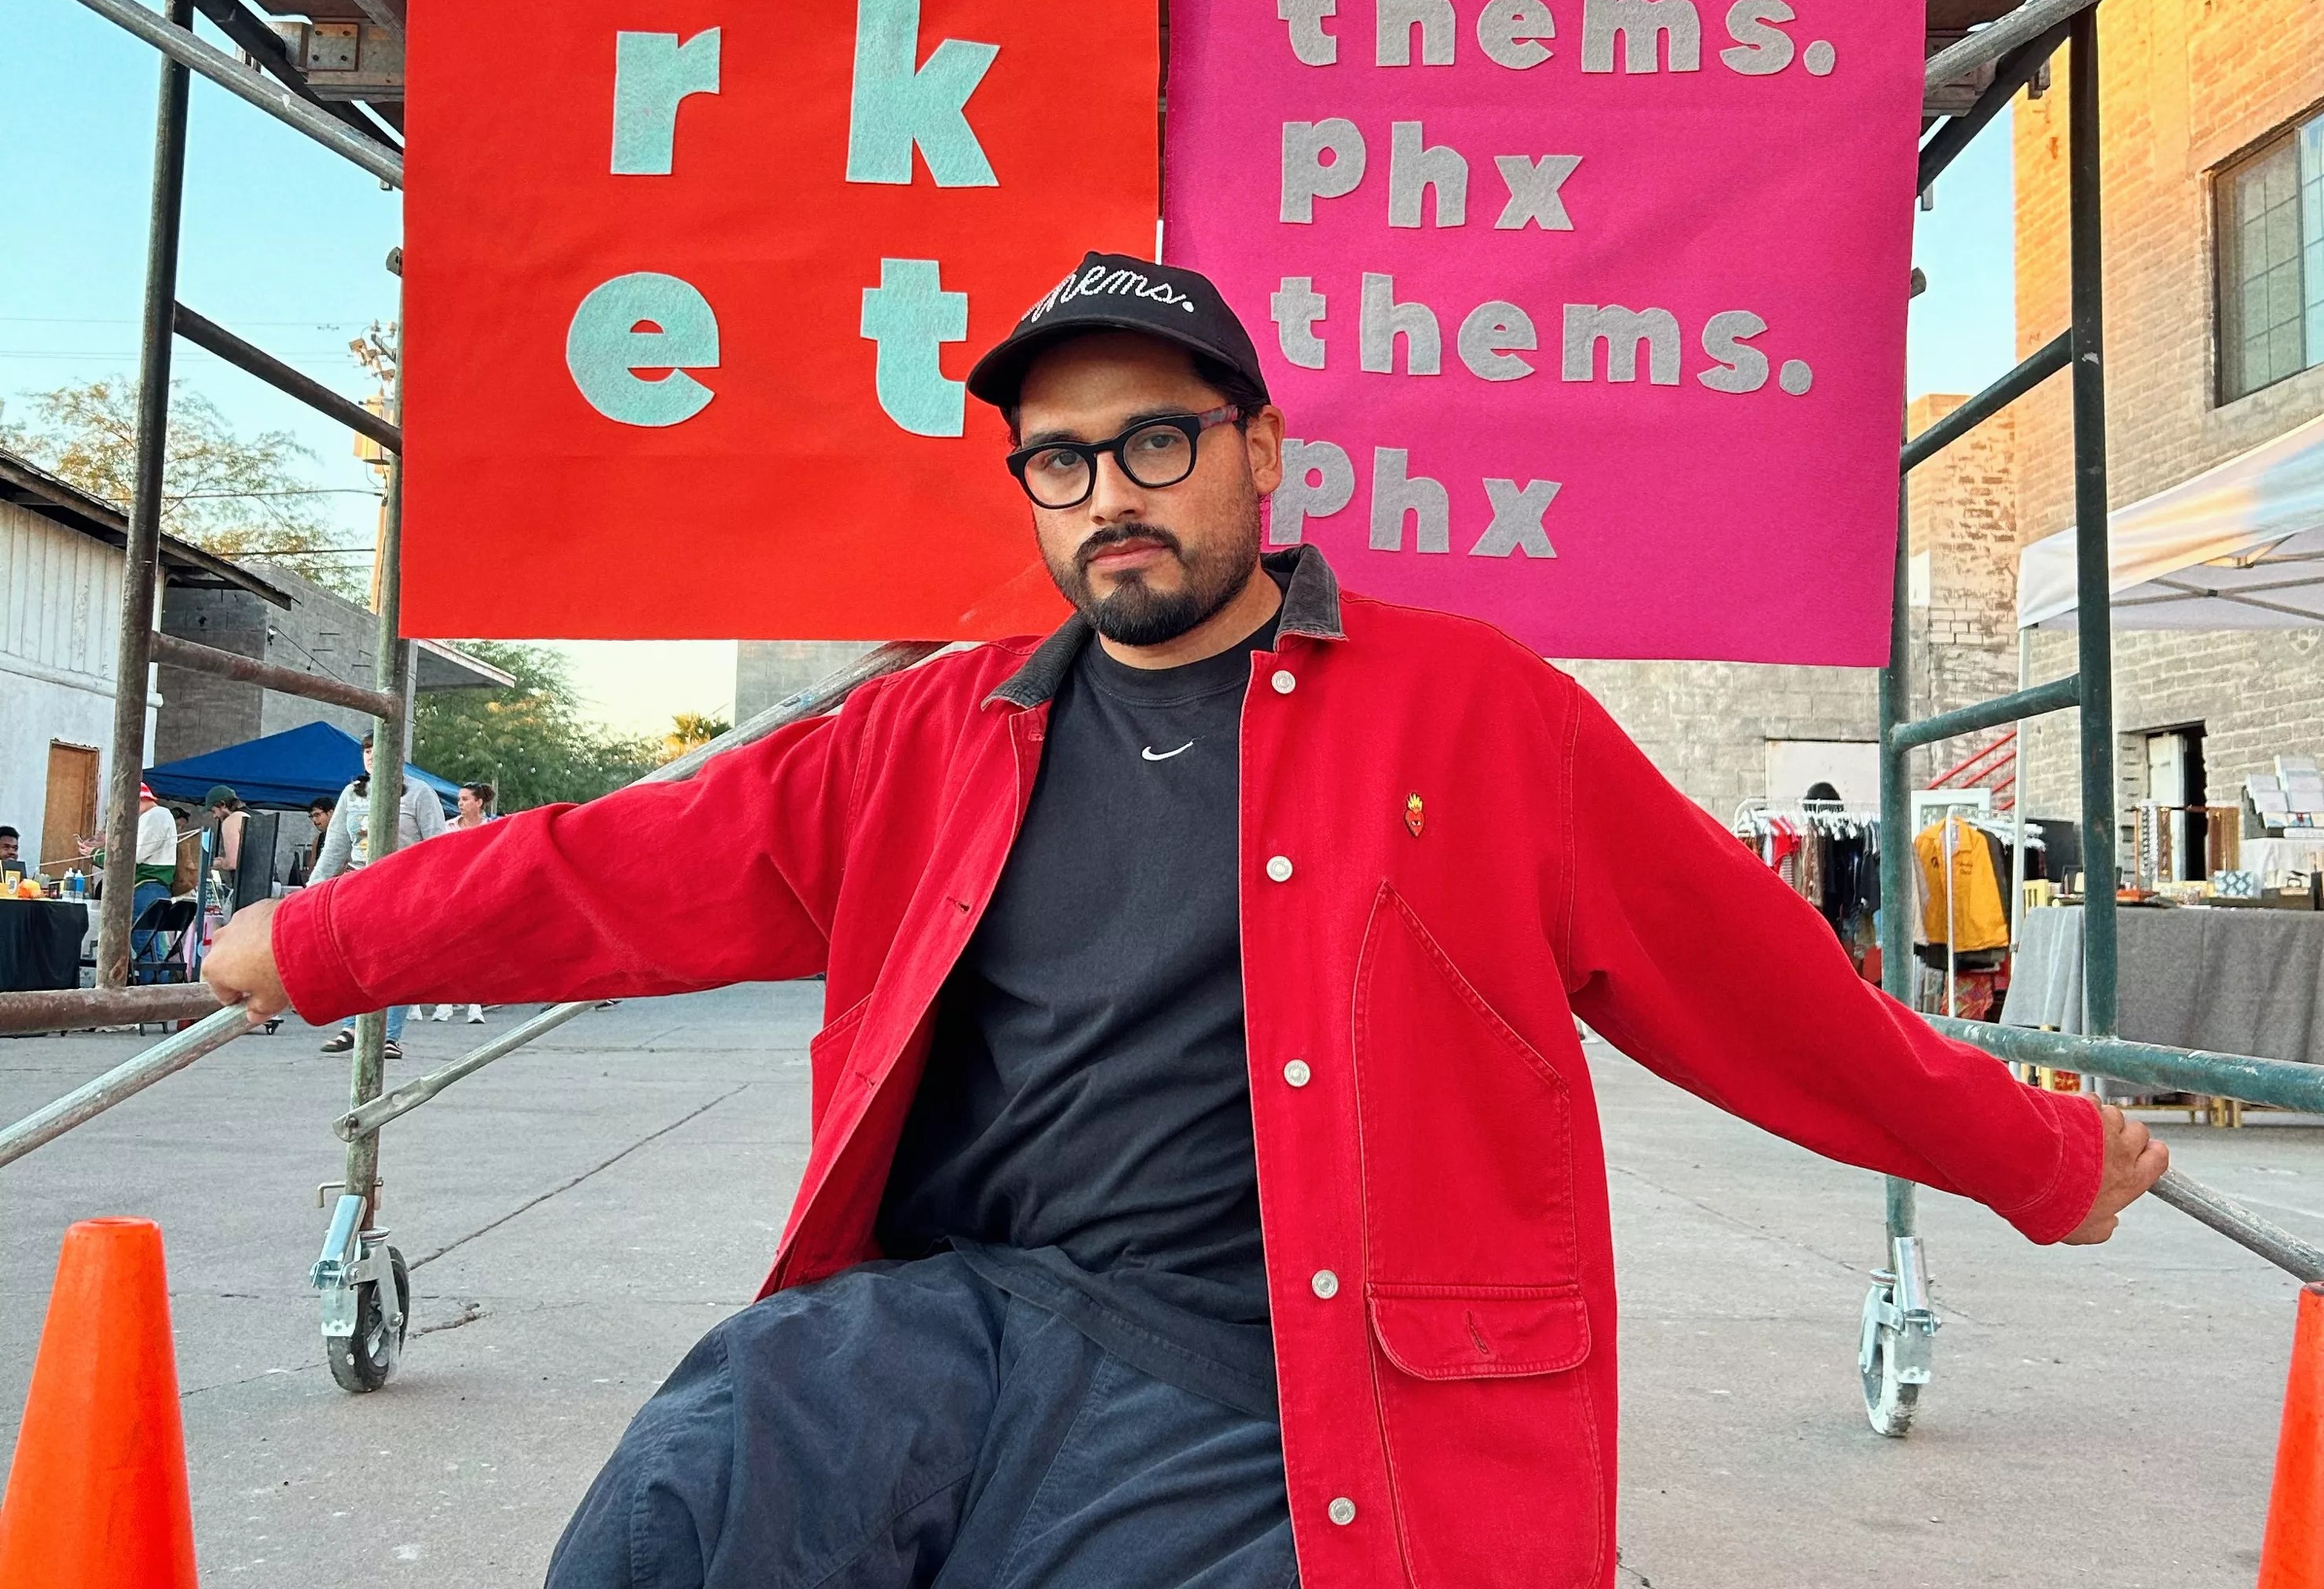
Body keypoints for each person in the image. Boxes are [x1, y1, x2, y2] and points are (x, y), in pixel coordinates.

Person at [205, 251, 2168, 1589]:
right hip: (946, 1315)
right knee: (679, 1504)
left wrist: (2039, 1157)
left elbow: (1760, 990)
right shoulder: (926, 736)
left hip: (1272, 1378)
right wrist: (319, 943)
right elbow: (604, 868)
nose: (1106, 495)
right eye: (1059, 462)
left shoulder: (1471, 713)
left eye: (1154, 440)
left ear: (1260, 455)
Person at [307, 734, 449, 1059]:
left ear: (397, 754)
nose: (371, 756)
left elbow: (438, 846)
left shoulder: (419, 793)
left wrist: (436, 891)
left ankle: (390, 1036)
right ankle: (352, 1026)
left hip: (404, 886)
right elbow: (336, 847)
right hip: (360, 884)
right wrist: (311, 891)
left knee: (398, 963)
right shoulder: (352, 793)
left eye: (378, 749)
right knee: (352, 958)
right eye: (367, 751)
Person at [431, 784, 498, 1023]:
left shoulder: (493, 827)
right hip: (452, 892)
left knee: (476, 949)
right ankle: (445, 1002)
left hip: (481, 892)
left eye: (466, 799)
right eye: (459, 799)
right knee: (449, 947)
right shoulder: (448, 827)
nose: (460, 803)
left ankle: (475, 1004)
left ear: (479, 802)